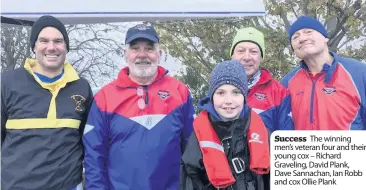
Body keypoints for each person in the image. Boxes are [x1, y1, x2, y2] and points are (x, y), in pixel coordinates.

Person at [82, 24, 195, 189]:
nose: (142, 55)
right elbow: (94, 157)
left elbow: (191, 152)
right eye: (135, 48)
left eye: (149, 49)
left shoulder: (180, 92)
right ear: (125, 54)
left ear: (159, 54)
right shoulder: (104, 98)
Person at [1, 15, 92, 190]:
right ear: (34, 46)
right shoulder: (6, 83)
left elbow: (85, 140)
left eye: (58, 41)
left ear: (66, 47)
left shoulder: (81, 87)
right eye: (44, 40)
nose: (51, 47)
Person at [180, 60, 270, 190]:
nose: (228, 101)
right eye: (221, 93)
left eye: (236, 92)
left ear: (244, 97)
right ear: (212, 97)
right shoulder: (197, 139)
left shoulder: (263, 133)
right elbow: (190, 181)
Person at [230, 27, 294, 189]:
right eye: (240, 51)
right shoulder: (218, 88)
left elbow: (285, 142)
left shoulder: (278, 92)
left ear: (261, 57)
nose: (246, 57)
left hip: (262, 178)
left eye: (253, 51)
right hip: (225, 176)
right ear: (232, 55)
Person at [281, 15, 366, 129]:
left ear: (326, 38)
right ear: (293, 49)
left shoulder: (358, 73)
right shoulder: (286, 83)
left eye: (308, 32)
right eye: (295, 37)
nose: (302, 39)